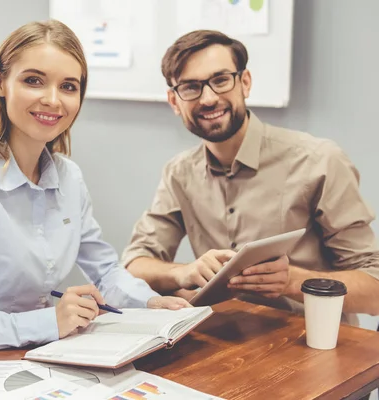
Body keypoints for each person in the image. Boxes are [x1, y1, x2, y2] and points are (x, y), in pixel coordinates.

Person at [0, 20, 189, 350]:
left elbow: (106, 270)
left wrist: (152, 303)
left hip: (41, 356)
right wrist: (46, 322)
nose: (53, 100)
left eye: (68, 86)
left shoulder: (70, 177)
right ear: (0, 82)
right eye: (34, 81)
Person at [121, 30, 379, 324]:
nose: (208, 98)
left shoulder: (318, 161)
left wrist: (292, 281)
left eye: (220, 80)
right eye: (191, 87)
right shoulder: (179, 172)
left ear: (245, 83)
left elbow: (375, 289)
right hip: (220, 347)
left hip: (311, 349)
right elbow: (132, 266)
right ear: (174, 101)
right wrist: (183, 272)